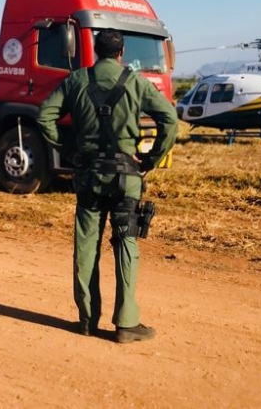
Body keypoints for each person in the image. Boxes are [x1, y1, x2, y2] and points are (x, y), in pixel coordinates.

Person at [37, 29, 178, 343]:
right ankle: (126, 323)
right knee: (126, 242)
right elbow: (169, 119)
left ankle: (88, 319)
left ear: (94, 50)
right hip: (126, 176)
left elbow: (45, 117)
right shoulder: (136, 81)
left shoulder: (76, 80)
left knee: (86, 245)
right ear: (121, 52)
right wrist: (151, 159)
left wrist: (70, 152)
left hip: (88, 174)